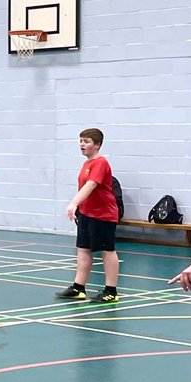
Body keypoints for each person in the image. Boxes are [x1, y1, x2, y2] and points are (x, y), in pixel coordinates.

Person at [56, 128, 120, 304]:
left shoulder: (101, 162)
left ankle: (111, 291)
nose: (82, 145)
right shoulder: (87, 164)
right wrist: (79, 208)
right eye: (81, 141)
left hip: (103, 214)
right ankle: (79, 288)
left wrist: (73, 203)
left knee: (107, 251)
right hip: (86, 213)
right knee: (83, 249)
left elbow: (91, 185)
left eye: (86, 141)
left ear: (97, 145)